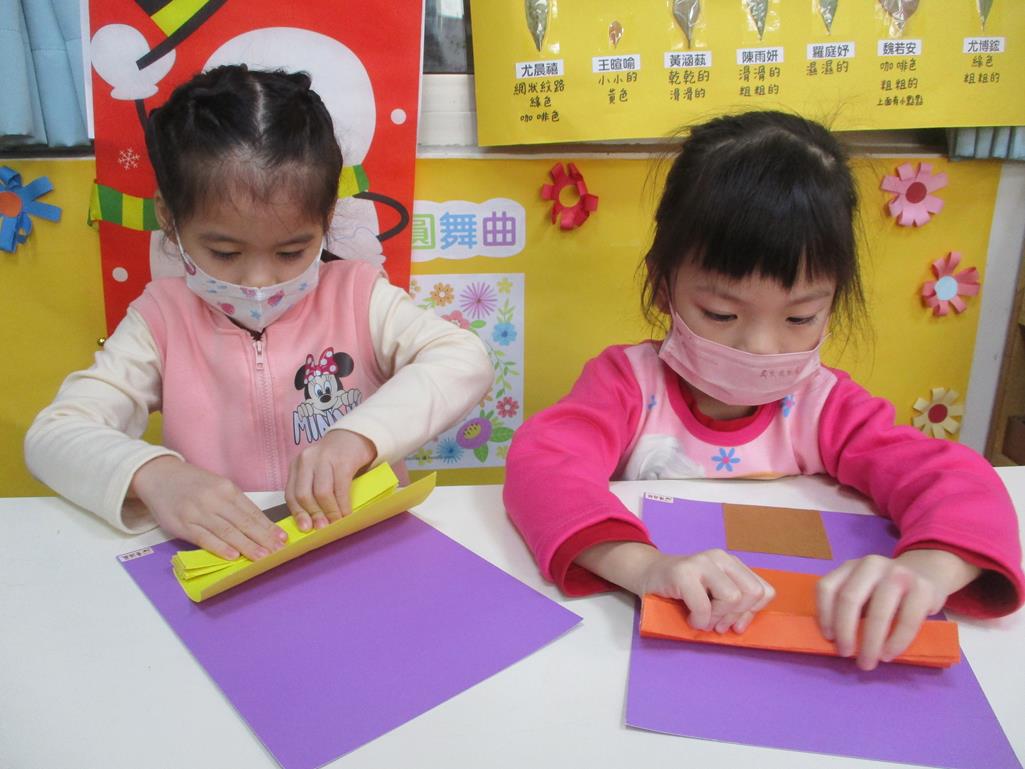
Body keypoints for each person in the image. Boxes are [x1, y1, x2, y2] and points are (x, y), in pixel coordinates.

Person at [504, 111, 1024, 671]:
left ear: (832, 301)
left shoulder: (827, 408)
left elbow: (961, 483)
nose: (760, 346)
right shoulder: (627, 385)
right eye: (721, 312)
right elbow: (541, 467)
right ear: (662, 286)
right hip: (644, 652)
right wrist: (645, 567)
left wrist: (927, 571)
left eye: (799, 318)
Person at [25, 65, 493, 562]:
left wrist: (357, 437)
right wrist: (155, 475)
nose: (259, 280)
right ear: (169, 218)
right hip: (232, 564)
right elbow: (54, 435)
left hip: (360, 552)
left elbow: (463, 358)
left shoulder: (358, 296)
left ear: (326, 219)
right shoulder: (161, 321)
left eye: (291, 252)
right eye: (225, 253)